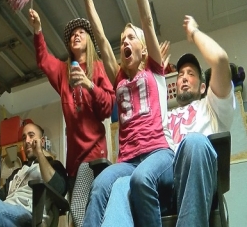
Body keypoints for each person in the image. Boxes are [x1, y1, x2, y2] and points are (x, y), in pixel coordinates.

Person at [101, 15, 235, 227]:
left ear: (202, 87)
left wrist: (193, 32)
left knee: (194, 142)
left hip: (193, 181)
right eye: (181, 73)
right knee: (119, 185)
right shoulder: (165, 115)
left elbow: (219, 59)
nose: (183, 77)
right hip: (158, 186)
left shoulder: (210, 106)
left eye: (191, 74)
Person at [80, 0, 175, 226]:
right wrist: (87, 0)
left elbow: (146, 19)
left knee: (142, 179)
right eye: (123, 39)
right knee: (98, 186)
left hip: (158, 153)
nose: (125, 42)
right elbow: (101, 38)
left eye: (131, 38)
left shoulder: (154, 69)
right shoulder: (119, 77)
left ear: (144, 50)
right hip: (127, 161)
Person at [28, 8, 115, 227]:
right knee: (79, 219)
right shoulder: (63, 72)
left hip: (94, 157)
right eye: (72, 34)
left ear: (89, 40)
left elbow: (107, 108)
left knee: (77, 209)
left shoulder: (98, 68)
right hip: (73, 162)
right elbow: (43, 60)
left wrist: (89, 85)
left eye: (81, 32)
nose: (76, 35)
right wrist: (38, 29)